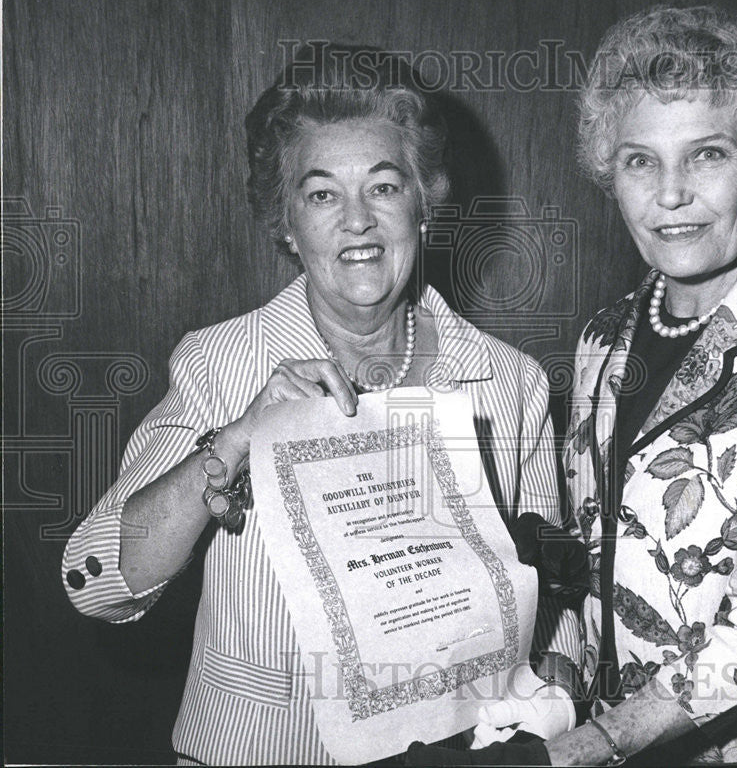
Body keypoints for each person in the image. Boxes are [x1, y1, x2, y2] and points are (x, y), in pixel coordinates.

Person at [61, 47, 581, 765]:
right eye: (322, 194)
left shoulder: (510, 382)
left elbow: (553, 604)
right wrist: (238, 440)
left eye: (385, 187)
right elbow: (91, 583)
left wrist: (551, 697)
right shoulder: (220, 363)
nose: (358, 222)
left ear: (426, 204)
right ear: (285, 223)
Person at [409, 5, 737, 766]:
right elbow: (593, 555)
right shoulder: (604, 339)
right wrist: (550, 688)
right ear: (612, 174)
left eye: (706, 155)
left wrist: (582, 749)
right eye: (640, 160)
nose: (670, 194)